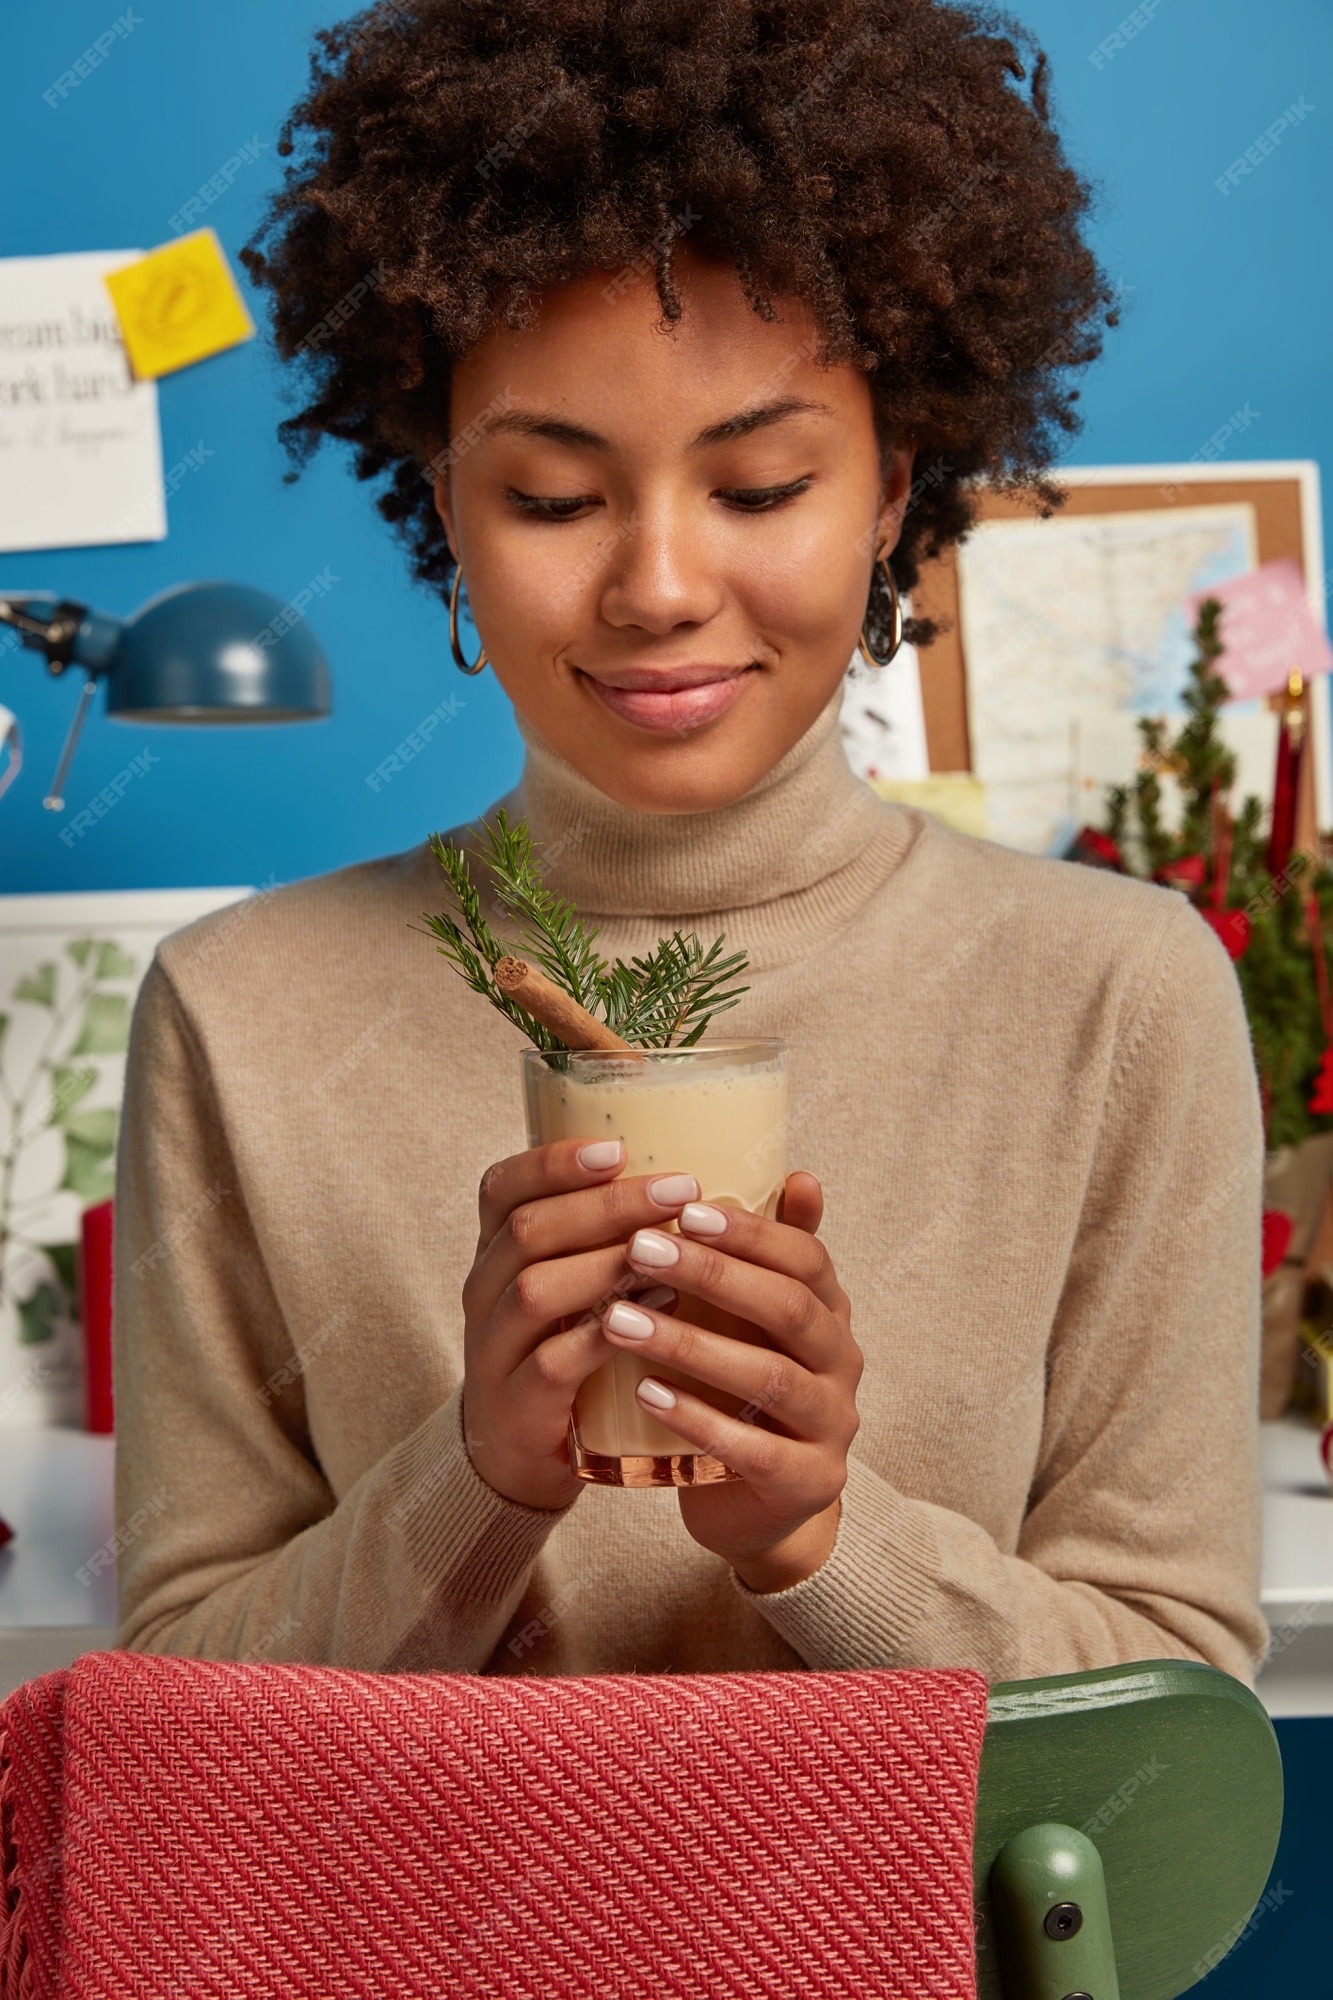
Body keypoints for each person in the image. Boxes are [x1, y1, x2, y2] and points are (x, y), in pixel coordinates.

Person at [112, 0, 1266, 1685]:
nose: (656, 587)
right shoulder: (237, 1014)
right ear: (442, 507)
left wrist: (818, 1536)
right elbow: (174, 1717)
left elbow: (1169, 1737)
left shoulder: (1118, 998)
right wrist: (477, 1477)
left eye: (757, 487)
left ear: (888, 495)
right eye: (554, 500)